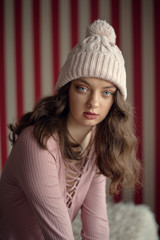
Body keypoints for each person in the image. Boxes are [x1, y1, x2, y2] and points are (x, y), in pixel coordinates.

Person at [0, 20, 141, 239]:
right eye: (83, 88)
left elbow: (96, 227)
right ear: (67, 90)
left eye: (106, 92)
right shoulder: (36, 144)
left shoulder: (96, 141)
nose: (94, 102)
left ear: (115, 100)